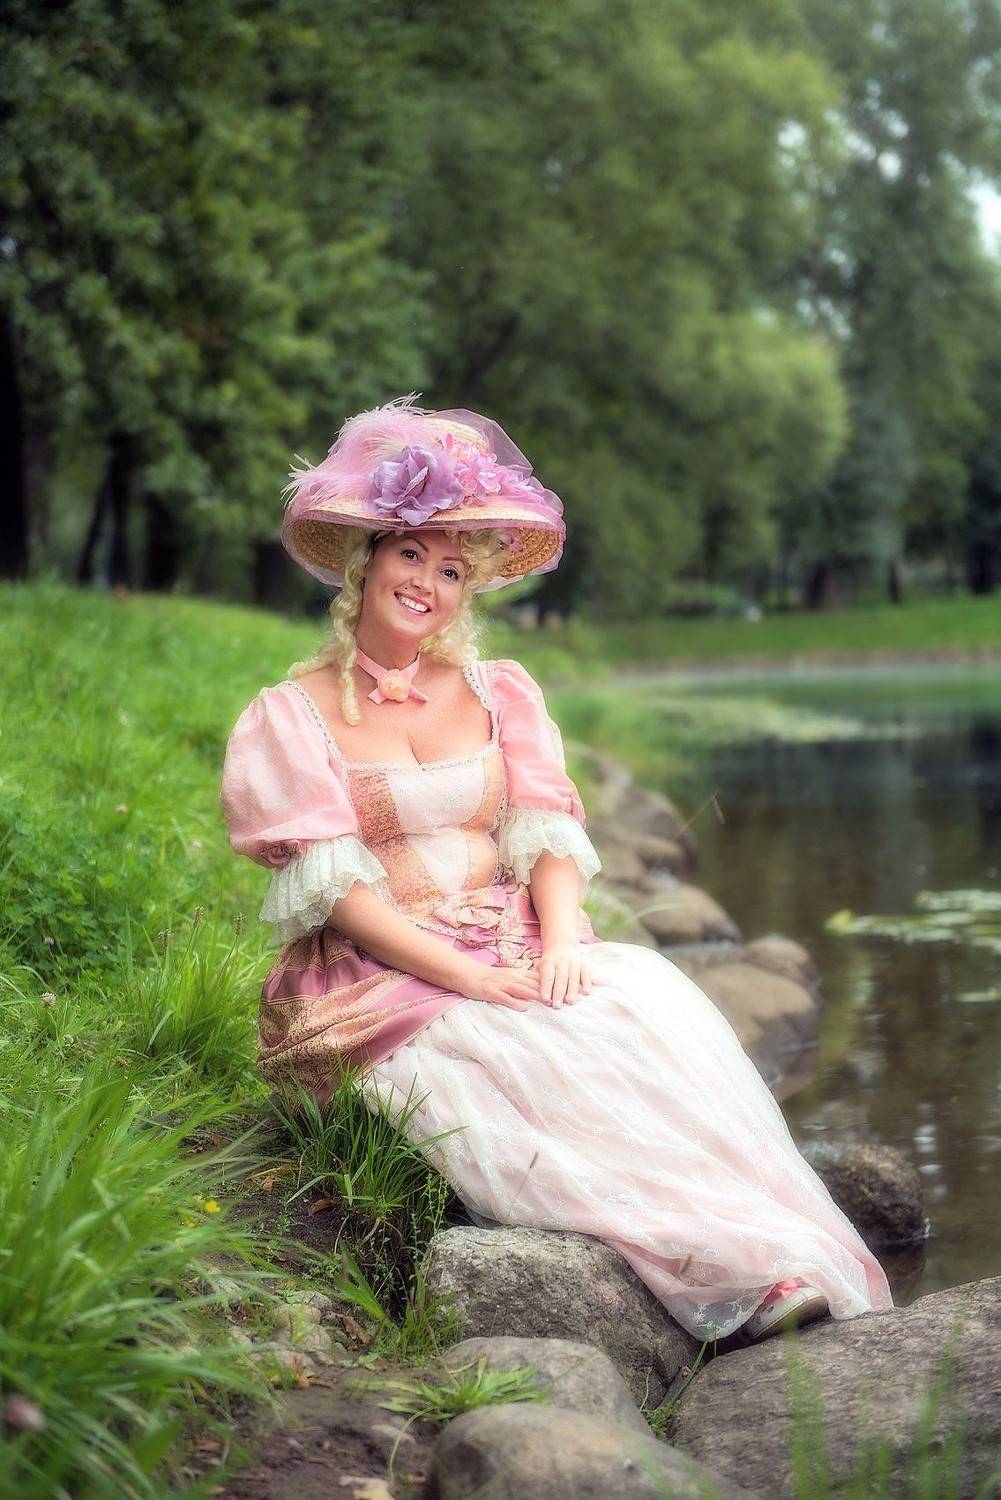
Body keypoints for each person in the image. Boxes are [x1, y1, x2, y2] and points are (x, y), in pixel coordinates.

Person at [221, 397, 894, 1344]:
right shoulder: (290, 715)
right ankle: (722, 1271)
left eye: (450, 570)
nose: (427, 583)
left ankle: (767, 1252)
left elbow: (544, 834)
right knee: (518, 1059)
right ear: (365, 561)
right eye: (410, 554)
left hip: (510, 929)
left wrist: (566, 937)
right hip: (379, 967)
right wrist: (464, 977)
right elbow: (344, 897)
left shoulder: (500, 693)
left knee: (642, 1012)